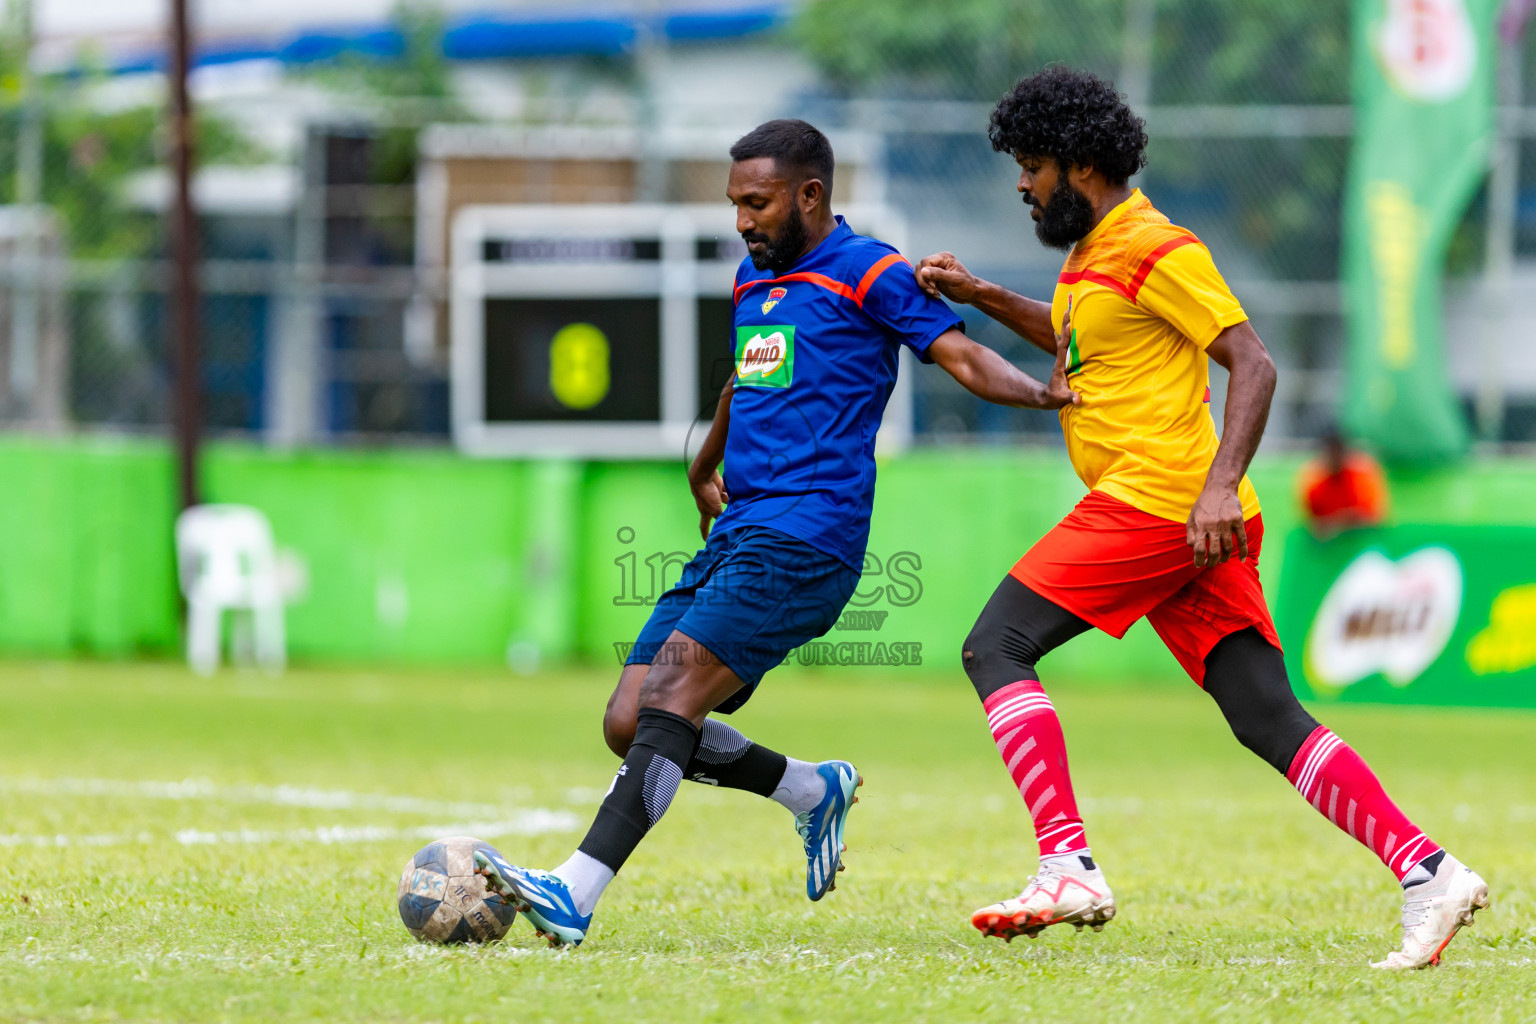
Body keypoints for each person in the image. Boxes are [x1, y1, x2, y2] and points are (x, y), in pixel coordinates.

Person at [915, 66, 1486, 970]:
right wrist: (984, 295)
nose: (1020, 184)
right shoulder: (1092, 254)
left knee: (995, 645)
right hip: (1188, 518)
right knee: (1265, 715)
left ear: (1081, 162)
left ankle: (1066, 861)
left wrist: (1220, 485)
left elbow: (1252, 362)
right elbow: (1080, 343)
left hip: (1160, 500)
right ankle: (1430, 872)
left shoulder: (1154, 246)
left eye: (1031, 165)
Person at [476, 118, 1078, 947]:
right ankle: (808, 789)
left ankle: (575, 893)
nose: (741, 221)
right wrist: (704, 461)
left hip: (808, 538)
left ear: (810, 194)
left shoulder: (870, 271)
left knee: (672, 696)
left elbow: (959, 355)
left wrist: (1042, 397)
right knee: (628, 719)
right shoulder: (752, 283)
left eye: (755, 203)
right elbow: (745, 376)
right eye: (734, 204)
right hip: (739, 529)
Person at [1299, 427, 1389, 537]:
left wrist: (1344, 521)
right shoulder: (1315, 481)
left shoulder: (1361, 476)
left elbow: (1374, 518)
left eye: (1337, 452)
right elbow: (1312, 526)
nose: (1334, 458)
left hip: (1360, 538)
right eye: (1330, 453)